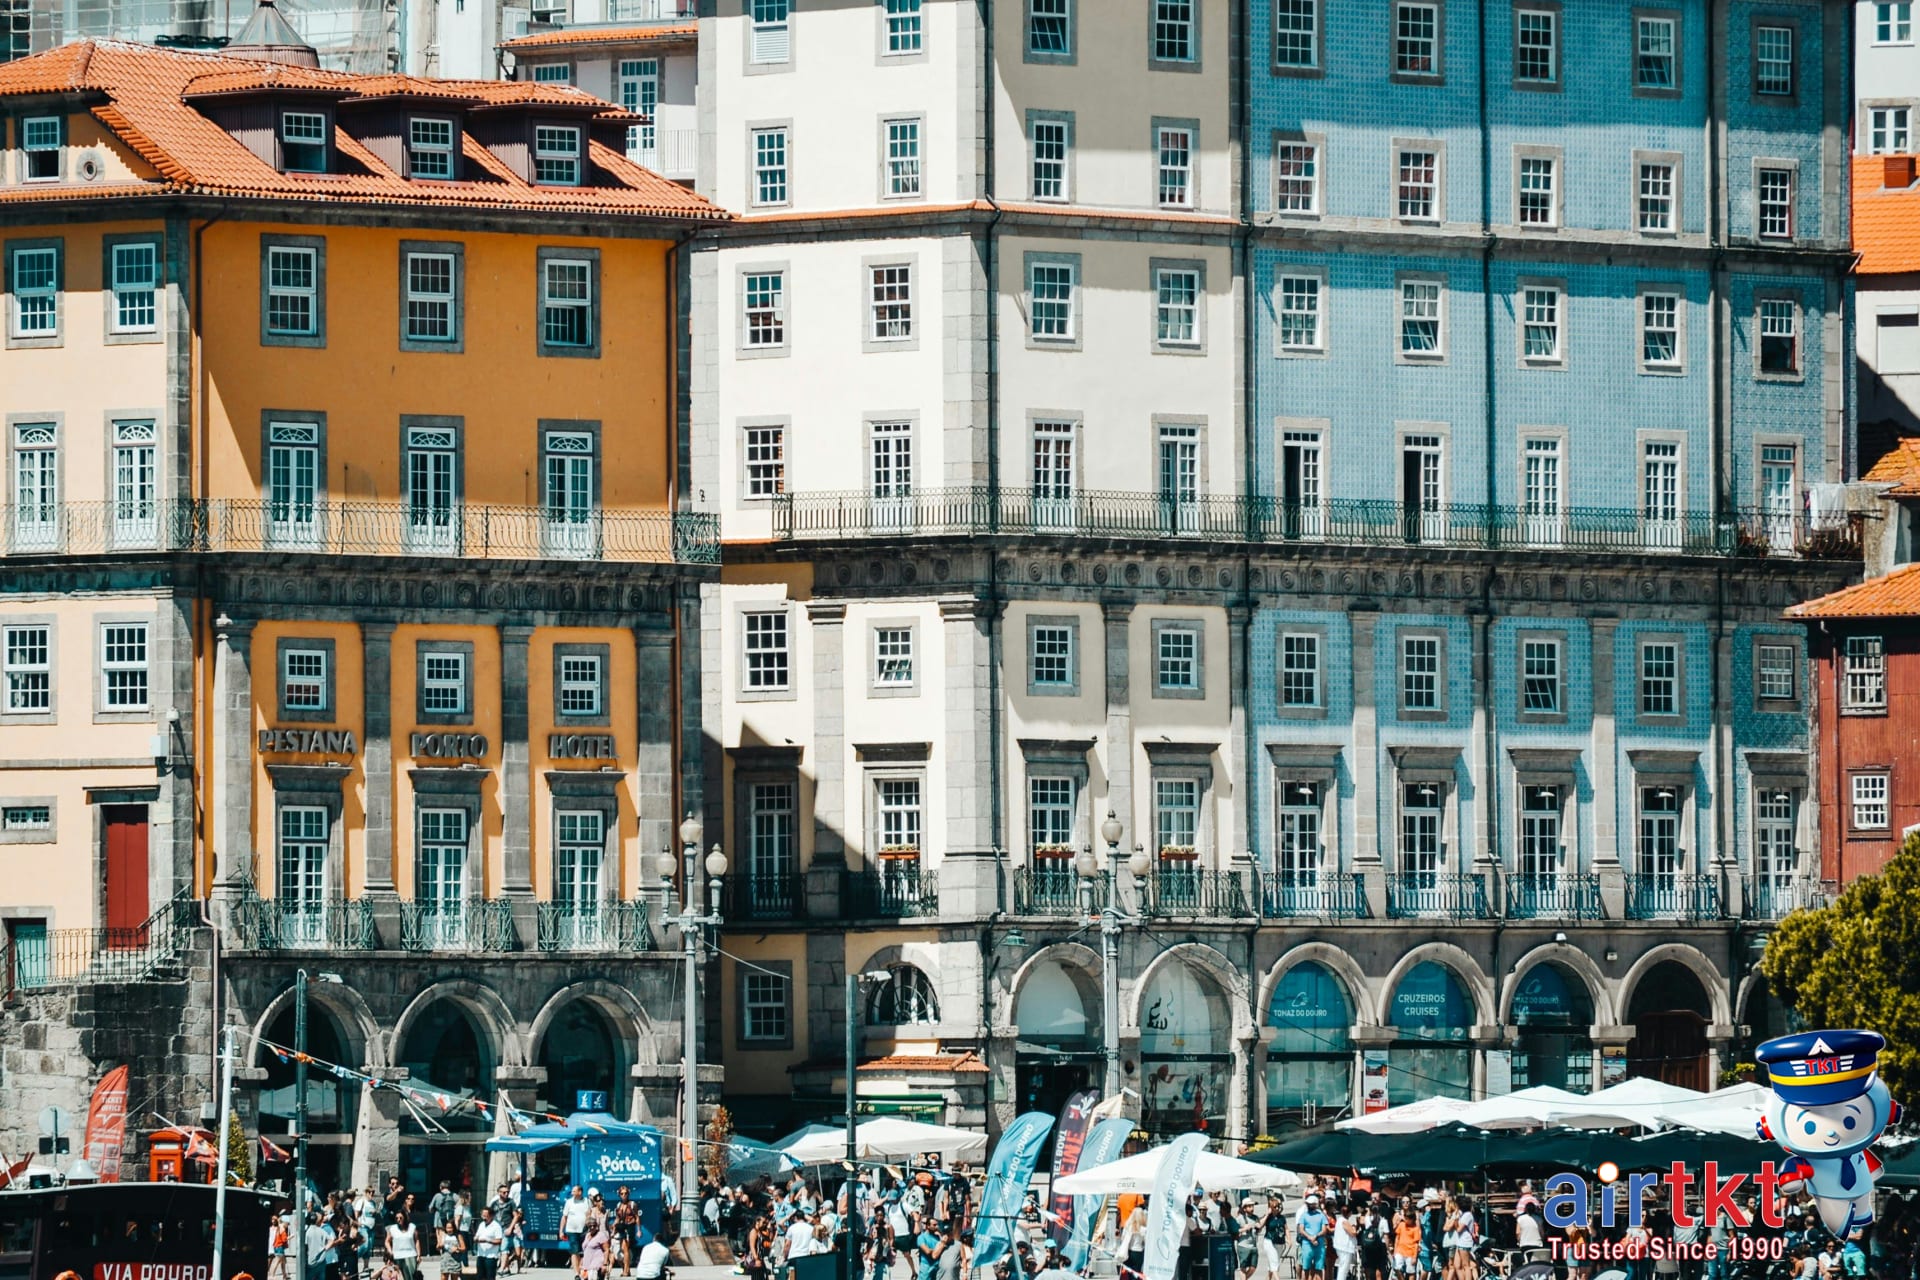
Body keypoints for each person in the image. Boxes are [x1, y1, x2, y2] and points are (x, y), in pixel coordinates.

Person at [562, 1187, 593, 1277]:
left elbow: (591, 1214)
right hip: (572, 1230)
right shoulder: (569, 1202)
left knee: (584, 1251)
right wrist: (561, 1231)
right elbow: (564, 1217)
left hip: (584, 1231)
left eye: (574, 1191)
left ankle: (581, 1269)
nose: (572, 1193)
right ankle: (576, 1273)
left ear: (580, 1192)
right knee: (574, 1251)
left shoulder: (587, 1201)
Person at [1299, 1193, 1330, 1280]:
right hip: (1307, 1244)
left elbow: (1324, 1230)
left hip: (1319, 1245)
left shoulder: (1321, 1215)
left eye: (1311, 1204)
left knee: (1319, 1268)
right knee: (1306, 1268)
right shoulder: (1304, 1215)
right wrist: (1310, 1238)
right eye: (1308, 1204)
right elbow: (1301, 1229)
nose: (1309, 1205)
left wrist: (1315, 1236)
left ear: (1315, 1204)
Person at [386, 1211, 421, 1280]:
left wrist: (419, 1255)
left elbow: (417, 1240)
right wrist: (390, 1251)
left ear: (405, 1218)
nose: (398, 1220)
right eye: (397, 1218)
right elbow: (387, 1241)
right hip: (397, 1256)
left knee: (410, 1277)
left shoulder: (412, 1227)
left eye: (400, 1218)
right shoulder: (393, 1228)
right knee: (399, 1277)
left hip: (410, 1255)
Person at [473, 1208, 504, 1280]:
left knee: (490, 1277)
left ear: (491, 1216)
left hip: (491, 1256)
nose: (484, 1218)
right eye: (483, 1216)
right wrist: (475, 1239)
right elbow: (477, 1235)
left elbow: (499, 1241)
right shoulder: (481, 1225)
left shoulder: (496, 1226)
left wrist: (487, 1240)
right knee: (480, 1277)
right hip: (481, 1254)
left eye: (486, 1216)